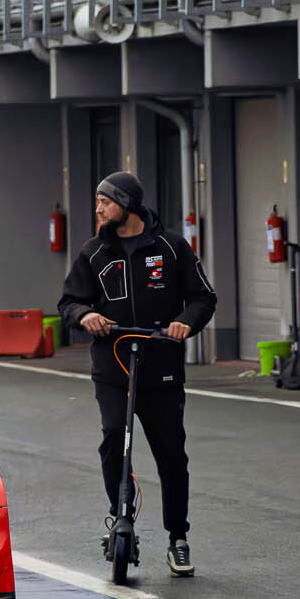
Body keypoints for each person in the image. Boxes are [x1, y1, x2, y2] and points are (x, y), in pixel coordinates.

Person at [57, 171, 215, 578]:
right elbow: (68, 302)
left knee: (171, 454)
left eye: (105, 201)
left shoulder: (172, 247)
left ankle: (178, 538)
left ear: (126, 204)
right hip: (112, 367)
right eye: (98, 201)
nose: (98, 209)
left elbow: (203, 297)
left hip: (160, 369)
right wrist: (85, 315)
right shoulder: (93, 252)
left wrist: (185, 322)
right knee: (114, 438)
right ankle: (120, 516)